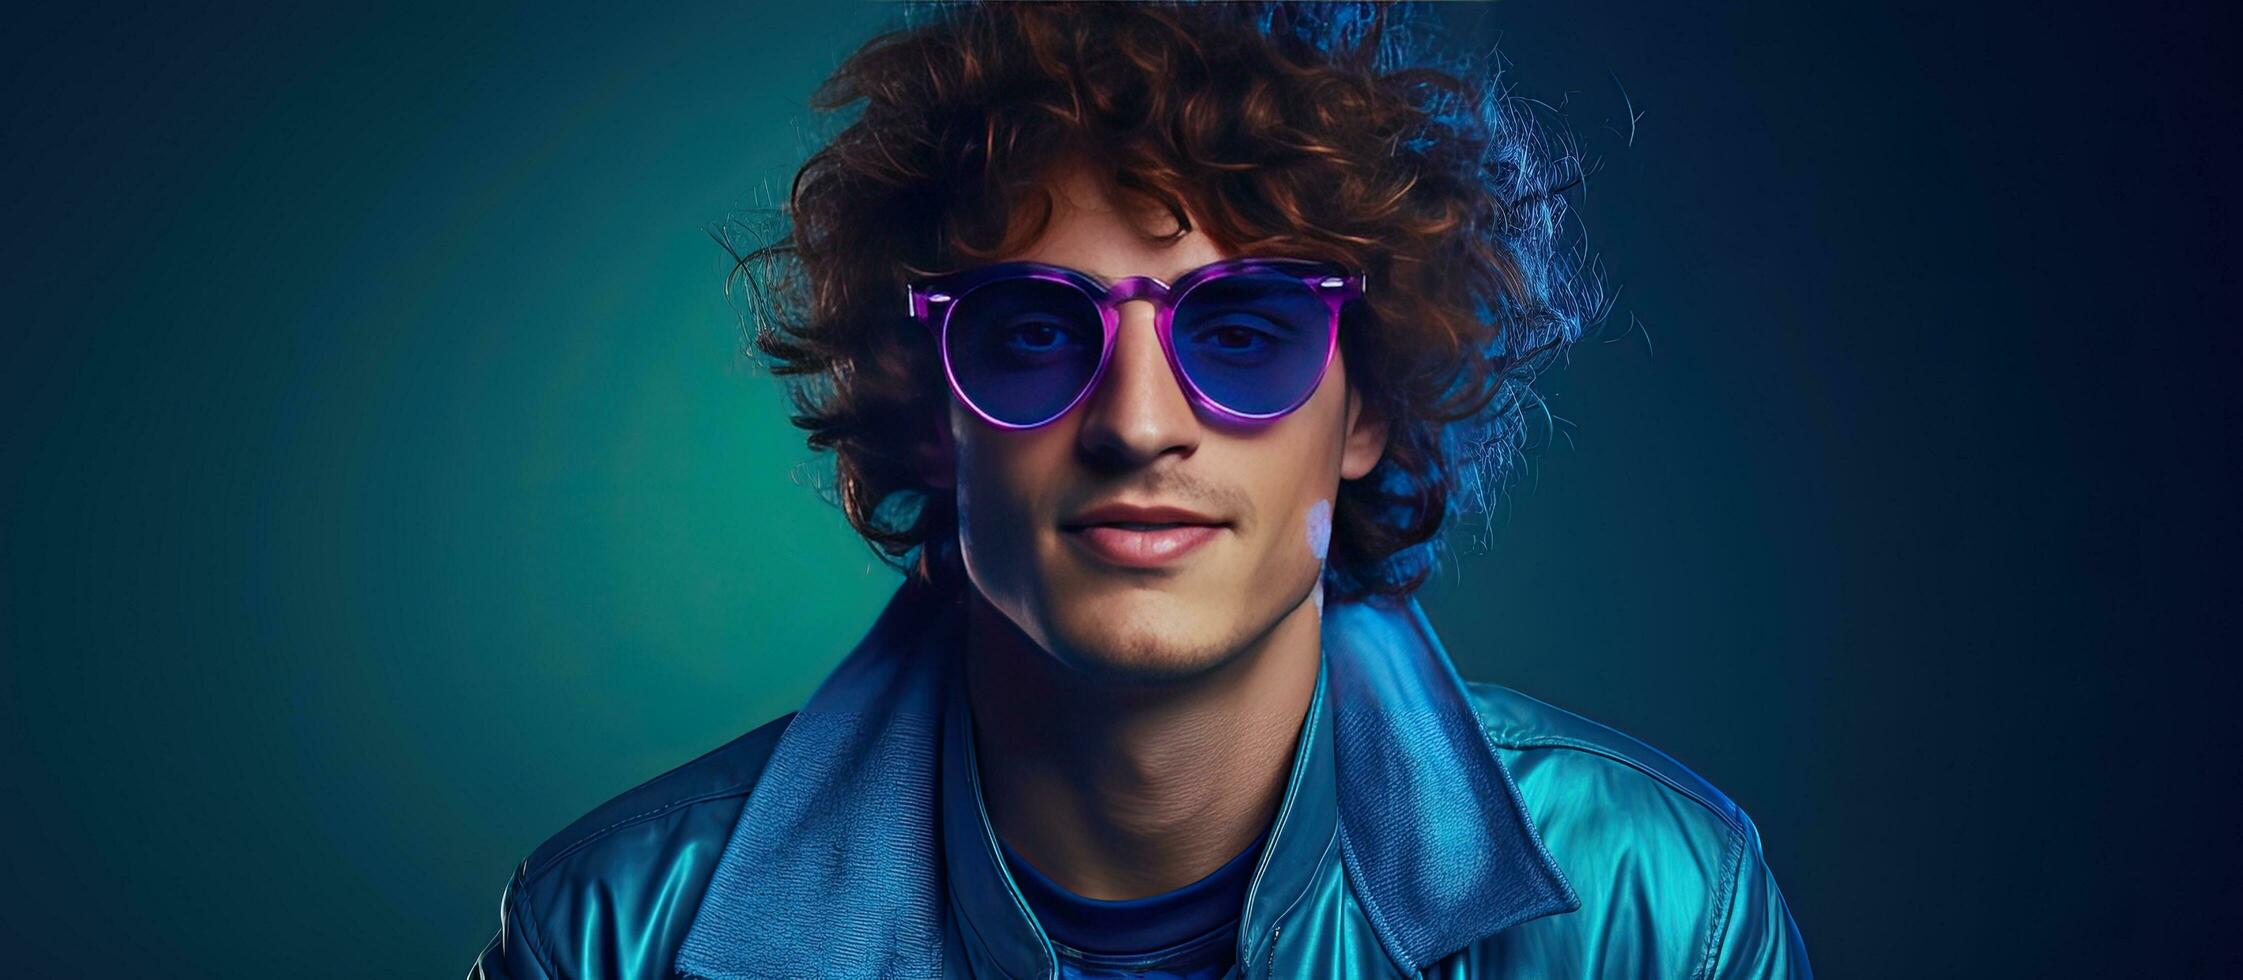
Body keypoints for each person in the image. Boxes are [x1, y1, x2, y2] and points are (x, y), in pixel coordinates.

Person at [469, 3, 1812, 977]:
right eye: (1037, 334)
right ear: (932, 414)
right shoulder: (616, 937)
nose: (1139, 423)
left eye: (1242, 333)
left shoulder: (1653, 911)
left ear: (1370, 409)